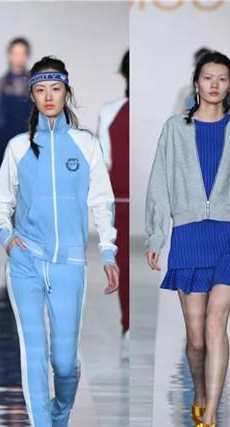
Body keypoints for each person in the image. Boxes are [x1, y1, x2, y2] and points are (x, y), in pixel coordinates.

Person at [0, 56, 119, 427]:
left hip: (69, 264)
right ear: (32, 95)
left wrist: (109, 252)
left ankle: (60, 416)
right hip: (26, 262)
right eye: (40, 89)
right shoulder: (17, 147)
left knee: (64, 362)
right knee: (34, 353)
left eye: (55, 88)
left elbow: (102, 202)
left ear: (66, 92)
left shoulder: (86, 144)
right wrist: (9, 240)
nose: (48, 96)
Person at [145, 51, 230, 427]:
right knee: (195, 339)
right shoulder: (175, 129)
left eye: (222, 78)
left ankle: (210, 416)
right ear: (196, 82)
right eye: (208, 77)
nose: (214, 85)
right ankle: (199, 393)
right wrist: (157, 235)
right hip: (190, 234)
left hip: (229, 236)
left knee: (216, 325)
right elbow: (159, 182)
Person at [98, 50, 130, 360]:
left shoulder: (110, 112)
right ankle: (128, 328)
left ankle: (128, 328)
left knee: (126, 266)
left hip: (121, 199)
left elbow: (103, 161)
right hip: (123, 199)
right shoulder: (111, 112)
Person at [0, 37, 33, 182]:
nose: (18, 57)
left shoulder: (33, 85)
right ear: (9, 55)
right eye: (15, 53)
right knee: (3, 184)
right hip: (4, 142)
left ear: (27, 56)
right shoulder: (1, 84)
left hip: (27, 142)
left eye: (22, 53)